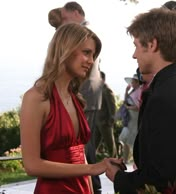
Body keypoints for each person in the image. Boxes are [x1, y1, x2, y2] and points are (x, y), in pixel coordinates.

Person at [105, 8, 176, 194]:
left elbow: (161, 178)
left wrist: (118, 177)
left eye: (136, 45)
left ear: (152, 44)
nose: (134, 55)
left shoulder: (164, 97)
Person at [20, 23, 123, 194]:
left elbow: (80, 155)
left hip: (81, 188)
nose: (91, 61)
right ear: (66, 50)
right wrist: (92, 168)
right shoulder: (36, 98)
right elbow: (32, 165)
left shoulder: (75, 98)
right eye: (86, 53)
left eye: (93, 55)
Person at [61, 2, 104, 193]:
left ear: (76, 13)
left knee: (83, 144)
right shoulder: (88, 31)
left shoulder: (84, 34)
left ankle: (90, 185)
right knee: (87, 143)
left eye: (65, 17)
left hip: (85, 92)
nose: (64, 22)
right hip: (90, 92)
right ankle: (93, 185)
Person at [119, 74, 141, 164]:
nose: (131, 83)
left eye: (133, 82)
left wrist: (129, 108)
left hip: (135, 118)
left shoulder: (140, 92)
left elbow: (138, 107)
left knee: (132, 140)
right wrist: (126, 91)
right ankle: (125, 159)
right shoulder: (133, 91)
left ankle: (134, 160)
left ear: (137, 82)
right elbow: (126, 101)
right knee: (126, 139)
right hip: (130, 119)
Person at [94, 71, 117, 158]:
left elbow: (112, 106)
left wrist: (111, 120)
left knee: (110, 145)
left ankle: (115, 161)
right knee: (94, 144)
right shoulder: (98, 89)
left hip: (105, 122)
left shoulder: (107, 90)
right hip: (97, 122)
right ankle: (90, 162)